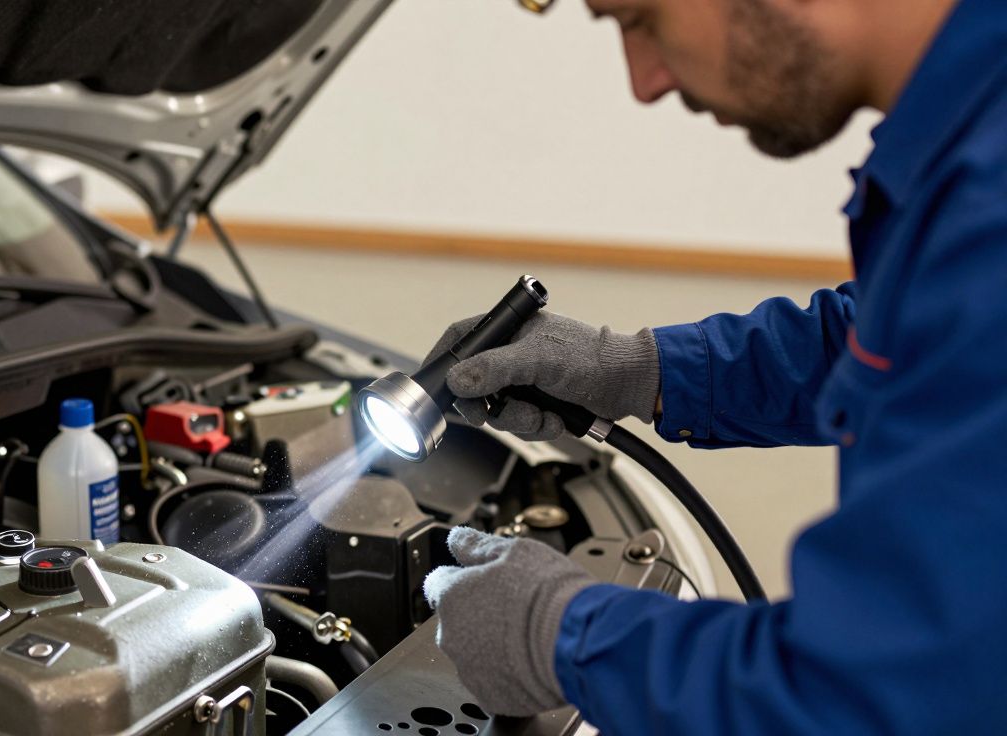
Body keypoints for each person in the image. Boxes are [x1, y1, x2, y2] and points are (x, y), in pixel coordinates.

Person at [420, 0, 1007, 732]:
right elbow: (896, 334)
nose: (645, 82)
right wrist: (641, 370)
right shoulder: (973, 143)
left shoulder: (990, 211)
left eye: (638, 18)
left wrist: (565, 636)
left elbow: (878, 697)